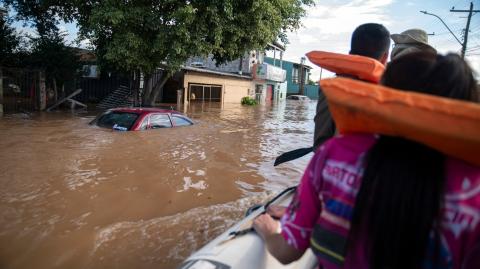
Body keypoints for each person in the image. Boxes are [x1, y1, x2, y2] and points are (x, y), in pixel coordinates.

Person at [253, 52, 479, 269]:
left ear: (383, 96)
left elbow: (287, 252)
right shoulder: (473, 192)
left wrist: (270, 231)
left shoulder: (335, 154)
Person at [313, 23, 390, 151]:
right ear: (385, 57)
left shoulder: (332, 88)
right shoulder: (394, 93)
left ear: (350, 54)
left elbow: (320, 143)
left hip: (336, 165)